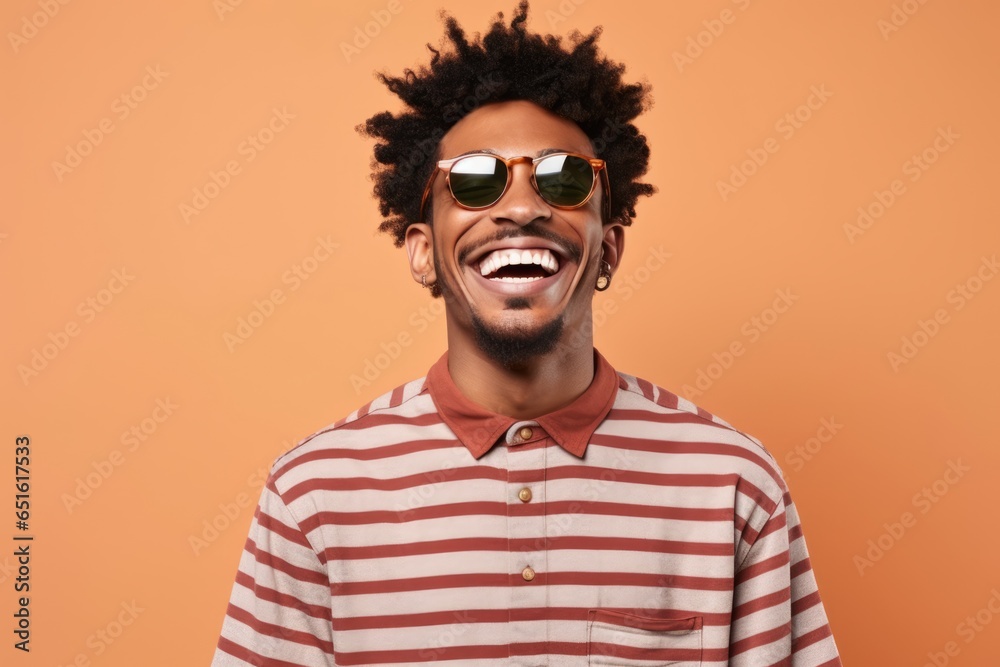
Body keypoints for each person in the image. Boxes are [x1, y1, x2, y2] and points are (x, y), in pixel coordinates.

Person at [211, 3, 843, 665]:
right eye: (475, 181)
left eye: (563, 178)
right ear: (422, 251)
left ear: (609, 248)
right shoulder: (313, 496)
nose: (520, 207)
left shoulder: (731, 485)